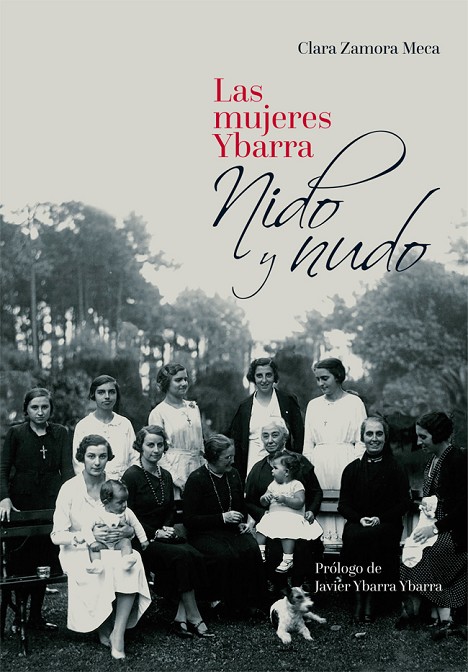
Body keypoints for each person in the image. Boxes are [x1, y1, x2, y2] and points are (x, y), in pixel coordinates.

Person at [51, 434, 151, 660]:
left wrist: (127, 531)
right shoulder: (70, 489)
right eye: (91, 456)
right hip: (80, 549)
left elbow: (127, 519)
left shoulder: (115, 485)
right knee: (101, 565)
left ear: (108, 458)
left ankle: (118, 632)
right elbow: (56, 536)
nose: (97, 462)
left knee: (132, 562)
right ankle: (103, 623)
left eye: (102, 456)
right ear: (82, 458)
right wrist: (86, 536)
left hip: (115, 547)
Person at [122, 425, 214, 638]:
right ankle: (194, 616)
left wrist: (167, 527)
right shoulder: (131, 475)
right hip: (140, 540)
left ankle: (181, 617)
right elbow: (128, 515)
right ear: (140, 446)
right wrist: (154, 533)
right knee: (182, 556)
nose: (156, 450)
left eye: (160, 445)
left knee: (194, 554)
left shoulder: (165, 475)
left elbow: (170, 509)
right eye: (150, 445)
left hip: (163, 536)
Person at [0, 387, 74, 629]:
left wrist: (71, 501)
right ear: (26, 410)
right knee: (22, 559)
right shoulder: (16, 433)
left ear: (51, 409)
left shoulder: (61, 433)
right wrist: (4, 498)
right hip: (21, 502)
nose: (40, 412)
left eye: (44, 407)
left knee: (44, 558)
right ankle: (19, 617)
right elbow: (3, 468)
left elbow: (68, 471)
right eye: (35, 407)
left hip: (51, 502)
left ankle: (35, 616)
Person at [397, 412, 467, 638]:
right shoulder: (433, 460)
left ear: (438, 435)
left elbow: (464, 507)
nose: (419, 442)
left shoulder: (457, 459)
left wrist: (435, 527)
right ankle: (429, 611)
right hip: (437, 524)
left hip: (457, 531)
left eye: (423, 437)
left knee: (431, 552)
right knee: (410, 549)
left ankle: (446, 614)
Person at [183, 434, 267, 615]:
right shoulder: (197, 479)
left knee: (251, 547)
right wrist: (221, 518)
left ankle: (251, 601)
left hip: (230, 530)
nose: (232, 461)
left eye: (233, 456)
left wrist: (241, 522)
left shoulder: (233, 474)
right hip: (203, 533)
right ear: (213, 458)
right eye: (227, 457)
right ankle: (221, 601)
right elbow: (189, 520)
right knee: (226, 554)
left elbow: (239, 505)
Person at [338, 416, 410, 623]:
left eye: (379, 434)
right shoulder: (352, 469)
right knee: (354, 536)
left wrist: (380, 518)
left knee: (373, 537)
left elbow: (404, 503)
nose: (374, 438)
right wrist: (359, 519)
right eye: (369, 434)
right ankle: (358, 597)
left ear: (385, 437)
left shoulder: (396, 467)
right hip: (358, 523)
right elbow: (343, 505)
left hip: (387, 523)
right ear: (362, 437)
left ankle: (371, 598)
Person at [245, 417, 323, 590]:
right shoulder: (258, 469)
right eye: (265, 436)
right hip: (272, 523)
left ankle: (300, 586)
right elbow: (249, 501)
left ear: (285, 437)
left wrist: (311, 511)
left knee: (303, 543)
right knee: (271, 544)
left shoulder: (299, 462)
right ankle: (277, 587)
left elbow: (316, 492)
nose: (270, 440)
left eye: (275, 435)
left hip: (299, 519)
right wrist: (263, 515)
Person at [228, 357, 304, 482]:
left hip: (283, 468)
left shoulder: (287, 401)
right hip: (253, 466)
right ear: (253, 378)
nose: (264, 380)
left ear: (274, 377)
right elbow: (237, 441)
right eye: (259, 376)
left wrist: (294, 464)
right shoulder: (245, 407)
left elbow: (299, 436)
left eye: (268, 375)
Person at [303, 358, 367, 490]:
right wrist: (309, 470)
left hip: (346, 462)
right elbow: (308, 444)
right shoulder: (313, 405)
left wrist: (356, 467)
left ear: (337, 376)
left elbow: (361, 441)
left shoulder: (354, 403)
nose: (320, 383)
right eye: (318, 379)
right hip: (319, 466)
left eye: (325, 378)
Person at [255, 451, 323, 573]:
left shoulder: (296, 485)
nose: (272, 471)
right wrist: (265, 498)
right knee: (261, 529)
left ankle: (287, 558)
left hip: (291, 517)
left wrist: (285, 499)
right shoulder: (273, 485)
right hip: (274, 517)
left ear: (286, 472)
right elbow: (263, 502)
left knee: (288, 533)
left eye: (275, 468)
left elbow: (300, 502)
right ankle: (260, 551)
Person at [148, 363, 205, 499]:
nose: (184, 383)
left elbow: (200, 443)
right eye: (178, 380)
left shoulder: (193, 408)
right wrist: (175, 478)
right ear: (167, 383)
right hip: (174, 469)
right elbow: (157, 451)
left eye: (185, 379)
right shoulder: (159, 412)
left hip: (197, 468)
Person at [72, 374, 138, 480]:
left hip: (123, 483)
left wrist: (126, 482)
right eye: (101, 392)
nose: (107, 396)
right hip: (94, 484)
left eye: (111, 392)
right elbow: (78, 463)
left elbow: (135, 458)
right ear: (93, 395)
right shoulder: (83, 426)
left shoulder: (125, 424)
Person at [79, 479, 149, 573]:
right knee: (92, 549)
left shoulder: (127, 512)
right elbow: (86, 528)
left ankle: (126, 560)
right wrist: (92, 542)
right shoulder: (97, 513)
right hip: (102, 543)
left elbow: (136, 525)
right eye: (120, 502)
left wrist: (143, 540)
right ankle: (96, 564)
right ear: (106, 502)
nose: (124, 505)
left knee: (126, 542)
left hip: (118, 544)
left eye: (125, 501)